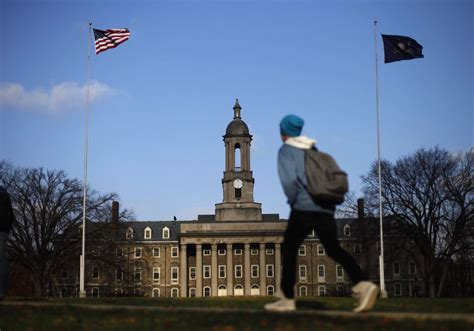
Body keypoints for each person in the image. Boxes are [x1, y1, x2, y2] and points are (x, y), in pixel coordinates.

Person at [264, 115, 378, 312]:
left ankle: (287, 299)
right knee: (333, 249)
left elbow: (290, 182)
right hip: (325, 208)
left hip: (304, 207)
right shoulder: (313, 149)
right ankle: (363, 284)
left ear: (284, 132)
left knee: (289, 248)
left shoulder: (286, 151)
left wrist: (295, 201)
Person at [0, 186, 15, 300]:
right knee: (2, 259)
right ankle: (1, 291)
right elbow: (11, 215)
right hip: (3, 230)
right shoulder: (6, 196)